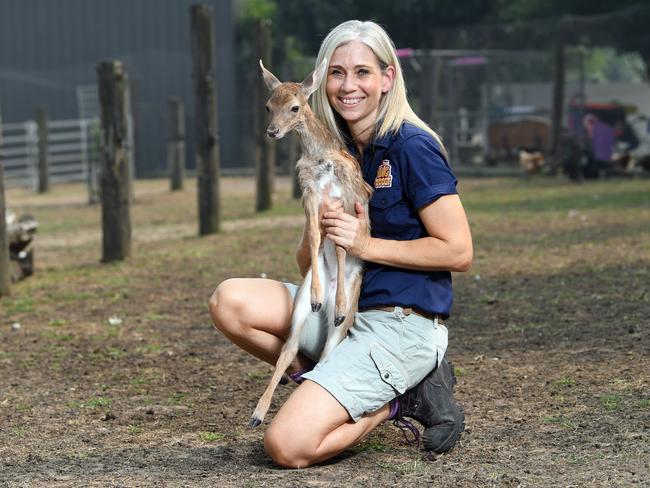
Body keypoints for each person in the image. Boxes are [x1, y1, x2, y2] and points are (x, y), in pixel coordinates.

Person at [209, 20, 472, 468]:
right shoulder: (336, 147)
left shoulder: (412, 146)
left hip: (400, 324)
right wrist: (318, 220)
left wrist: (366, 245)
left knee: (286, 446)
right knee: (229, 301)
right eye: (337, 72)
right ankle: (323, 381)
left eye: (363, 72)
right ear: (320, 81)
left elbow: (459, 251)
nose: (349, 86)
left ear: (387, 78)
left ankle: (400, 401)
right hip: (342, 308)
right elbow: (304, 264)